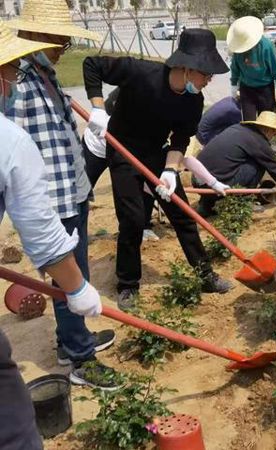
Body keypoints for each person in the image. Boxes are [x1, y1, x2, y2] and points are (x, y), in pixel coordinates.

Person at [0, 21, 105, 449]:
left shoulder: (42, 70)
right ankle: (80, 357)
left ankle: (70, 342)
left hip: (70, 186)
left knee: (73, 269)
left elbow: (58, 132)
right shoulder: (18, 83)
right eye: (58, 38)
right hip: (50, 200)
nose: (65, 45)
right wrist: (77, 288)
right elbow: (42, 238)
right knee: (69, 277)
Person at [82, 28, 233, 310]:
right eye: (206, 73)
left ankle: (205, 275)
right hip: (123, 151)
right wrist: (98, 108)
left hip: (156, 153)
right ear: (188, 68)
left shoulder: (193, 100)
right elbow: (91, 64)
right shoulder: (139, 72)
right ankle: (128, 284)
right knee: (133, 219)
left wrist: (171, 171)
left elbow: (180, 138)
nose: (210, 79)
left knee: (182, 212)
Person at [82, 87, 160, 241]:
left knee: (141, 181)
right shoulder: (134, 89)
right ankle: (76, 232)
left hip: (128, 146)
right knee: (81, 188)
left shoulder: (163, 98)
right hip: (97, 144)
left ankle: (142, 226)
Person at [194, 111, 276, 216]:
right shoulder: (258, 140)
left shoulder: (237, 128)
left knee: (225, 165)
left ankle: (206, 204)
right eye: (275, 132)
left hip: (198, 183)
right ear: (268, 129)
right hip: (215, 186)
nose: (275, 136)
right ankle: (246, 201)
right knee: (258, 164)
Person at [227, 16, 276, 120]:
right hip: (247, 89)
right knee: (249, 123)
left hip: (265, 89)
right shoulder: (238, 49)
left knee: (266, 123)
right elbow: (235, 69)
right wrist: (233, 86)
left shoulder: (266, 46)